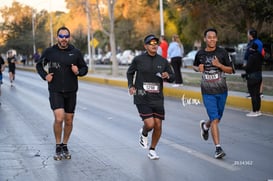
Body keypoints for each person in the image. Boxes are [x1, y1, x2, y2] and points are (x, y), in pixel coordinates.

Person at [36, 26, 88, 161]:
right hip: (55, 90)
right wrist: (45, 76)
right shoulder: (50, 52)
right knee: (59, 118)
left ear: (69, 38)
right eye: (61, 36)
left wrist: (78, 72)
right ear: (57, 37)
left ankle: (65, 145)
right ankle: (58, 145)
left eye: (66, 36)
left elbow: (84, 68)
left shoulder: (75, 52)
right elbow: (39, 65)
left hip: (71, 91)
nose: (64, 39)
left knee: (69, 120)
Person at [127, 34, 175, 160]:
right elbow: (130, 72)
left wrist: (167, 76)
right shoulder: (138, 59)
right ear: (145, 46)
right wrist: (131, 85)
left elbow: (173, 76)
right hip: (142, 96)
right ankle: (144, 132)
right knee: (150, 124)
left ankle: (152, 150)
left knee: (158, 125)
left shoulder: (162, 61)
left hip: (157, 97)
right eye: (151, 43)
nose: (154, 45)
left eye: (156, 43)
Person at [193, 28, 233, 159]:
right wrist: (198, 68)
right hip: (207, 91)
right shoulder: (200, 54)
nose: (211, 39)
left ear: (216, 38)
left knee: (217, 118)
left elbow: (231, 70)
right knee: (215, 119)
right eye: (209, 37)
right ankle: (218, 148)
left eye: (214, 37)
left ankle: (205, 125)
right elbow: (195, 66)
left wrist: (219, 65)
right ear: (205, 39)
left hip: (221, 90)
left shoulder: (222, 52)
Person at [244, 28, 264, 98]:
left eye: (248, 33)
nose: (247, 35)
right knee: (249, 77)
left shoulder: (258, 42)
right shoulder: (250, 42)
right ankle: (250, 92)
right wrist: (245, 61)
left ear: (251, 35)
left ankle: (260, 92)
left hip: (255, 63)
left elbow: (260, 53)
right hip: (249, 62)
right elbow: (247, 52)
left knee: (258, 76)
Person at [245, 43, 263, 117]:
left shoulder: (251, 56)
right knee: (257, 94)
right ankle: (258, 110)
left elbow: (248, 68)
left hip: (252, 78)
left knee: (253, 95)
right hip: (259, 76)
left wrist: (245, 68)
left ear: (251, 48)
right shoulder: (260, 56)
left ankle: (254, 111)